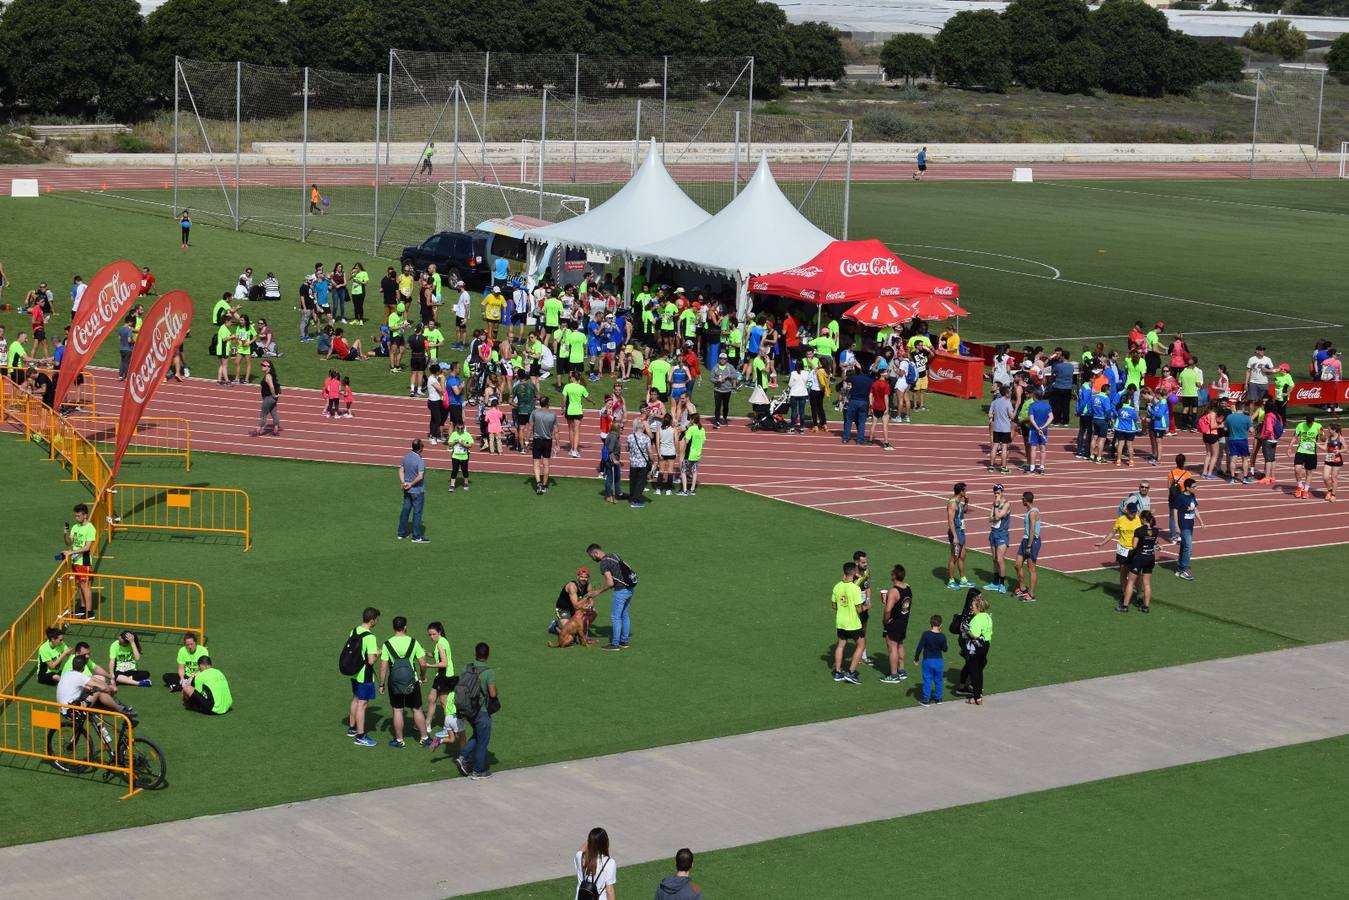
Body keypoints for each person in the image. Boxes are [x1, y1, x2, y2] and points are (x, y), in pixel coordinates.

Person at [378, 616, 430, 748]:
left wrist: (381, 684)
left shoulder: (387, 644)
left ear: (394, 627)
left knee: (397, 710)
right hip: (412, 681)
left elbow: (383, 666)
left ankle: (400, 740)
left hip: (394, 682)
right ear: (405, 627)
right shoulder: (413, 642)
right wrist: (423, 676)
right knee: (417, 709)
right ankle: (424, 738)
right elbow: (423, 664)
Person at [455, 642, 498, 780]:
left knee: (478, 735)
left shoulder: (466, 668)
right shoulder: (489, 672)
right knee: (482, 741)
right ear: (488, 655)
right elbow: (492, 694)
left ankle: (463, 757)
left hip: (468, 710)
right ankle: (479, 771)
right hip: (482, 711)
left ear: (475, 653)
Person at [588, 543, 638, 651]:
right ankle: (624, 641)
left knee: (616, 617)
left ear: (596, 553)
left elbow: (610, 583)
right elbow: (627, 567)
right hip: (630, 589)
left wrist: (597, 592)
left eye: (591, 556)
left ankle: (615, 644)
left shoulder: (604, 563)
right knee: (625, 614)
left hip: (620, 591)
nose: (592, 559)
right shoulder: (614, 555)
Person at [345, 607, 381, 746]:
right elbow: (371, 660)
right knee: (362, 704)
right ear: (372, 620)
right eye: (377, 619)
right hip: (364, 674)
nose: (377, 621)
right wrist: (378, 653)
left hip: (354, 672)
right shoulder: (370, 637)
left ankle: (352, 728)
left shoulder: (354, 630)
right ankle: (360, 736)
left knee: (355, 698)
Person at [1097, 501, 1142, 603]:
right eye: (1131, 512)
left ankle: (1139, 596)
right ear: (1127, 511)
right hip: (1123, 550)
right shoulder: (1120, 520)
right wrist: (1102, 543)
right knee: (1123, 573)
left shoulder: (1138, 519)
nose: (1133, 514)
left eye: (1134, 512)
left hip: (1135, 550)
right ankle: (1124, 594)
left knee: (1137, 575)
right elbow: (1112, 533)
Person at [60, 503, 98, 620]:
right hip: (76, 561)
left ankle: (89, 612)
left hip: (84, 562)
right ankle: (82, 608)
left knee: (85, 586)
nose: (76, 518)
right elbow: (69, 543)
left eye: (78, 515)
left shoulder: (90, 528)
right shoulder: (75, 527)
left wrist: (71, 553)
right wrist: (65, 534)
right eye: (75, 516)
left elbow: (87, 547)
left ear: (85, 515)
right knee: (79, 585)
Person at [830, 561, 865, 684]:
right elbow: (859, 609)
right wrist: (866, 607)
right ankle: (851, 672)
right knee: (861, 645)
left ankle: (838, 672)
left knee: (840, 645)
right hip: (853, 623)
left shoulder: (837, 586)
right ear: (855, 573)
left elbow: (834, 606)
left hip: (841, 622)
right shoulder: (855, 589)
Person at [1119, 510, 1159, 614]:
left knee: (1131, 582)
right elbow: (1154, 543)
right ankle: (1145, 607)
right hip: (1150, 558)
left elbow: (1134, 545)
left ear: (1144, 519)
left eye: (1140, 518)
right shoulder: (1155, 531)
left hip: (1139, 558)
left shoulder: (1139, 530)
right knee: (1147, 584)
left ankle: (1124, 606)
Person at [879, 564, 913, 684]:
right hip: (904, 621)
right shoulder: (908, 587)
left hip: (894, 623)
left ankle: (894, 675)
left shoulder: (894, 591)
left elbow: (888, 610)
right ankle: (901, 670)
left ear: (894, 576)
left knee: (892, 647)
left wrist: (886, 621)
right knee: (900, 644)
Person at [959, 595, 992, 705]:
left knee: (974, 672)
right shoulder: (987, 616)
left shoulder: (976, 619)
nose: (971, 607)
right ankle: (979, 694)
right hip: (986, 646)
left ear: (978, 607)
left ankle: (977, 698)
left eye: (973, 605)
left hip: (976, 648)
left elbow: (975, 635)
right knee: (979, 670)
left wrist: (966, 630)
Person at [574, 826, 618, 900]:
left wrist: (591, 840)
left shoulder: (579, 857)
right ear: (605, 843)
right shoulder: (609, 863)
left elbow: (583, 849)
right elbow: (609, 890)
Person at [1012, 491, 1041, 602]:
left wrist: (1029, 545)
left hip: (1032, 542)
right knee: (1017, 565)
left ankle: (1031, 594)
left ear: (1025, 499)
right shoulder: (1029, 511)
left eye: (1022, 499)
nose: (1021, 500)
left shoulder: (1033, 512)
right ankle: (1023, 588)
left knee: (1031, 568)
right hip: (1025, 540)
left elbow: (1033, 529)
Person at [913, 615, 948, 707]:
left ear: (930, 624)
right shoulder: (942, 636)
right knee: (939, 680)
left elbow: (919, 647)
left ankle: (926, 700)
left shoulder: (926, 634)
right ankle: (938, 699)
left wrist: (916, 658)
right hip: (939, 661)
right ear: (941, 625)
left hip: (928, 661)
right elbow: (945, 649)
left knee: (927, 679)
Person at [397, 440, 428, 542]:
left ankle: (401, 534)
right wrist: (411, 484)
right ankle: (416, 536)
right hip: (417, 491)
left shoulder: (406, 456)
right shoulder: (420, 460)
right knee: (417, 513)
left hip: (407, 490)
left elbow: (401, 470)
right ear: (420, 448)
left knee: (405, 511)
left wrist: (404, 483)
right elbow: (420, 476)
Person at [945, 483, 974, 590]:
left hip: (961, 531)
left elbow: (965, 511)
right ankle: (951, 580)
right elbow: (950, 521)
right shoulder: (952, 504)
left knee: (962, 556)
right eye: (965, 490)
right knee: (954, 557)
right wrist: (955, 536)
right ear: (961, 491)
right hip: (956, 532)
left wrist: (967, 501)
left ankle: (963, 579)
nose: (966, 492)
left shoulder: (959, 502)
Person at [984, 484, 1011, 593]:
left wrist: (996, 506)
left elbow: (998, 516)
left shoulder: (1006, 504)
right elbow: (990, 519)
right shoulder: (994, 504)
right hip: (993, 533)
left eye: (998, 492)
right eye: (995, 492)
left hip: (1002, 534)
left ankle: (1002, 584)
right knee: (994, 559)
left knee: (1000, 559)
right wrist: (995, 512)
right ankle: (995, 583)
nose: (996, 494)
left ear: (1002, 492)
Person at [1290, 413, 1322, 500]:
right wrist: (1290, 448)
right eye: (1308, 422)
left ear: (1313, 421)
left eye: (1311, 422)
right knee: (1297, 469)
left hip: (1311, 453)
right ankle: (1300, 486)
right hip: (1300, 450)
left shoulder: (1318, 426)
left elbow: (1323, 439)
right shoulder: (1300, 426)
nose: (1309, 423)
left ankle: (1306, 490)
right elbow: (1294, 437)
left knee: (1309, 472)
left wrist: (1322, 435)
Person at [530, 395, 559, 494]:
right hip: (548, 441)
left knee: (536, 463)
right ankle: (545, 485)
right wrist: (557, 444)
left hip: (537, 440)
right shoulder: (553, 414)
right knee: (546, 463)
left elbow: (530, 427)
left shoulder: (535, 413)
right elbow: (556, 431)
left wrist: (526, 440)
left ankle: (538, 483)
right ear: (548, 403)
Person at [247, 359, 282, 437]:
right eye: (262, 365)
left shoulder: (268, 376)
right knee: (274, 413)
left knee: (263, 415)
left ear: (268, 367)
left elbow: (272, 386)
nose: (262, 367)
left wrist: (273, 395)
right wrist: (275, 396)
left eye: (264, 365)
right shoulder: (272, 375)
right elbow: (276, 385)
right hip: (272, 399)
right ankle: (276, 430)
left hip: (268, 398)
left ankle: (258, 431)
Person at [988, 386, 1015, 474]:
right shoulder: (1008, 403)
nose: (1011, 393)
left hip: (996, 427)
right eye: (1010, 391)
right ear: (1007, 393)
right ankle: (1003, 467)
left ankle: (991, 466)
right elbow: (1012, 416)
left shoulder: (994, 402)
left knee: (995, 446)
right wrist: (1015, 410)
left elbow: (990, 415)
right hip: (1005, 428)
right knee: (1004, 447)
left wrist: (995, 416)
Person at [1225, 401, 1254, 484]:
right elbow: (1252, 430)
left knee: (1233, 460)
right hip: (1243, 440)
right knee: (1245, 459)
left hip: (1232, 440)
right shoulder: (1246, 418)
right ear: (1243, 408)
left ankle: (1232, 478)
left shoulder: (1229, 417)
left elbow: (1225, 429)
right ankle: (1245, 478)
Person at [626, 418, 652, 508]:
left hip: (633, 463)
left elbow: (627, 449)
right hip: (642, 463)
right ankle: (635, 500)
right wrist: (652, 460)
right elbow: (649, 451)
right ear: (643, 428)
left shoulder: (630, 436)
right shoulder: (646, 438)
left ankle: (632, 496)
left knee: (633, 481)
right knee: (640, 482)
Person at [678, 413, 705, 496]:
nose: (689, 420)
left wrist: (686, 434)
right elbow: (703, 441)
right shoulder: (702, 429)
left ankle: (685, 490)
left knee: (683, 471)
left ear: (693, 420)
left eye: (690, 419)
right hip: (697, 454)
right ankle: (692, 490)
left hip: (689, 453)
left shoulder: (691, 429)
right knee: (694, 472)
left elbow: (686, 441)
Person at [1322, 422, 1343, 502]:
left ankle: (1333, 495)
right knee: (1325, 477)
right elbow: (1324, 448)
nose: (1328, 430)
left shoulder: (1340, 438)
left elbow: (1346, 448)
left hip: (1337, 460)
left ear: (1334, 430)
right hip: (1329, 459)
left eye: (1329, 429)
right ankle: (1329, 490)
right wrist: (1317, 444)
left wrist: (1339, 451)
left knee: (1334, 478)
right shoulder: (1328, 438)